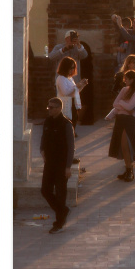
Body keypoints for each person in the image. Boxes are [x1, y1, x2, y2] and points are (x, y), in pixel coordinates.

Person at [40, 97, 75, 234]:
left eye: (52, 107)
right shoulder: (47, 121)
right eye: (48, 107)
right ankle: (63, 211)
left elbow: (71, 147)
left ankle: (59, 223)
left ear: (60, 108)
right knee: (45, 190)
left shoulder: (66, 124)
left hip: (61, 164)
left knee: (61, 193)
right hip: (49, 163)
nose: (49, 109)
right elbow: (43, 137)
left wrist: (68, 167)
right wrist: (42, 150)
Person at [108, 70, 135, 182]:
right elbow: (115, 103)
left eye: (127, 79)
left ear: (132, 79)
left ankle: (130, 171)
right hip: (120, 119)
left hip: (129, 121)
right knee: (122, 147)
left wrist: (122, 104)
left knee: (126, 145)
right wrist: (125, 105)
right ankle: (128, 169)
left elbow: (130, 108)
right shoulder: (124, 90)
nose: (125, 81)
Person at [54, 57, 86, 161]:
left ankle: (69, 155)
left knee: (71, 132)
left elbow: (74, 92)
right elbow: (66, 92)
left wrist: (81, 85)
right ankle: (66, 156)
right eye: (71, 68)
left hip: (73, 106)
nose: (72, 70)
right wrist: (77, 86)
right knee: (66, 133)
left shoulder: (69, 78)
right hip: (66, 107)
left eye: (74, 68)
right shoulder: (61, 78)